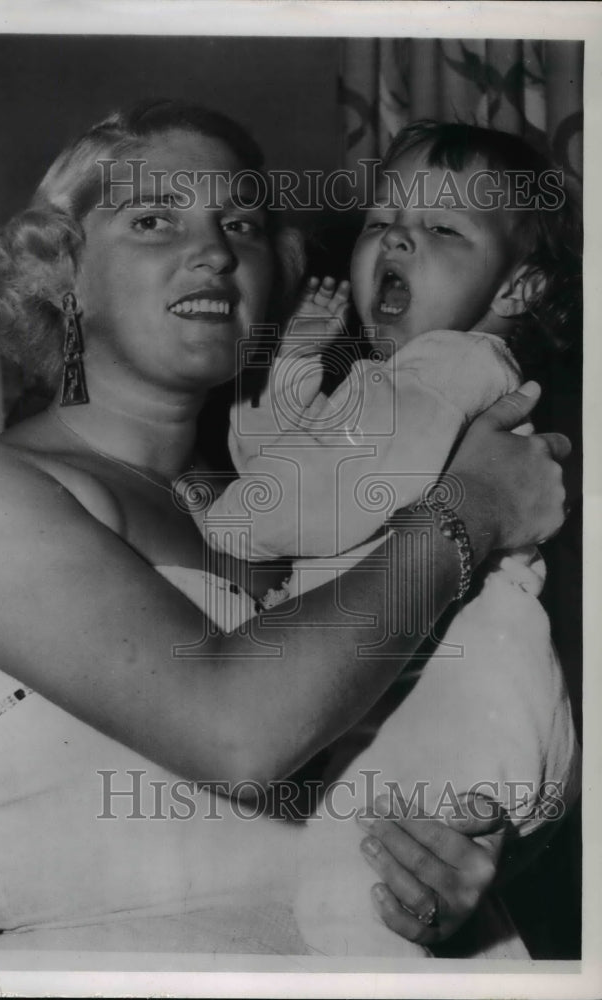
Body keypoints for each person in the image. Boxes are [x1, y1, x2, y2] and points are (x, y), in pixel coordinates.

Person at [0, 103, 571, 954]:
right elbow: (238, 736)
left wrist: (468, 859)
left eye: (241, 224)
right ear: (63, 271)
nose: (215, 251)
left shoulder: (297, 505)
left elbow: (476, 726)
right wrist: (475, 507)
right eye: (154, 219)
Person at [193, 120, 580, 955]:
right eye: (381, 219)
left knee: (355, 900)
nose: (399, 236)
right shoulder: (394, 382)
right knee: (372, 901)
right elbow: (288, 461)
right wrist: (295, 365)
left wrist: (226, 522)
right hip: (437, 690)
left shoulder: (457, 365)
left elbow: (319, 497)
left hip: (459, 684)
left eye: (443, 227)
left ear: (521, 286)